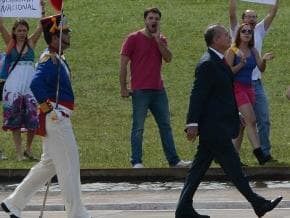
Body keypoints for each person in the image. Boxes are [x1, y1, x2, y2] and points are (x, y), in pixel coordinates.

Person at [175, 24, 282, 218]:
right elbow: (197, 95)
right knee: (234, 168)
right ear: (216, 40)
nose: (229, 36)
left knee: (198, 170)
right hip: (214, 128)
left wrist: (237, 114)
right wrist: (192, 123)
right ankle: (258, 204)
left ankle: (183, 209)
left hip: (217, 126)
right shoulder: (207, 63)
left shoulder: (220, 61)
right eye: (225, 34)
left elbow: (223, 94)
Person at [1, 14, 92, 218]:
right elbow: (35, 84)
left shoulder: (56, 58)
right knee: (69, 165)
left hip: (56, 119)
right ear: (54, 38)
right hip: (57, 120)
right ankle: (76, 213)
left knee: (48, 165)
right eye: (64, 33)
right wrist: (49, 109)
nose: (68, 37)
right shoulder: (49, 59)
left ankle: (14, 203)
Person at [119, 7, 191, 168]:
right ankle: (136, 161)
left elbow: (169, 58)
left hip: (158, 89)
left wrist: (158, 41)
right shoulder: (133, 38)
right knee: (138, 127)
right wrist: (123, 87)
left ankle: (174, 160)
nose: (153, 21)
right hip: (140, 90)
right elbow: (123, 64)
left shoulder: (161, 39)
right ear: (145, 20)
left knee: (165, 126)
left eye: (156, 19)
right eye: (151, 18)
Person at [229, 0, 279, 161]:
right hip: (237, 86)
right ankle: (251, 153)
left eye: (254, 17)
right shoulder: (237, 32)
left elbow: (272, 13)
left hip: (255, 84)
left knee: (260, 119)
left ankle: (263, 152)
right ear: (243, 20)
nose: (251, 19)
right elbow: (232, 14)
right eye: (248, 16)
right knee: (245, 121)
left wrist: (275, 1)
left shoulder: (257, 32)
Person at [0, 0, 45, 161]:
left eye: (24, 30)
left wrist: (42, 10)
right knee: (14, 119)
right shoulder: (10, 43)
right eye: (19, 30)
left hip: (30, 86)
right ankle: (19, 151)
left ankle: (28, 149)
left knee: (33, 117)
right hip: (13, 86)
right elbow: (1, 25)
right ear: (14, 31)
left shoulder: (31, 42)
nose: (22, 33)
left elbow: (41, 27)